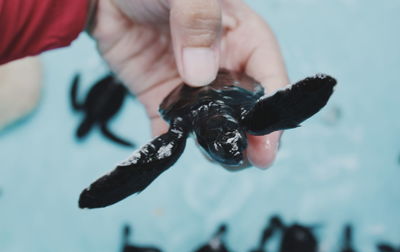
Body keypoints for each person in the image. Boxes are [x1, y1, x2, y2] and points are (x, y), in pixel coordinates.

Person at [0, 0, 289, 169]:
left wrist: (98, 5)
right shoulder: (80, 106)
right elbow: (76, 92)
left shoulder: (90, 115)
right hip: (114, 80)